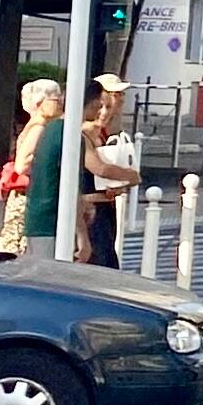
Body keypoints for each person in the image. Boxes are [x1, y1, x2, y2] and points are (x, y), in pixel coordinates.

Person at [0, 81, 62, 257]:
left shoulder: (38, 125)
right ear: (41, 103)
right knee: (20, 247)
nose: (60, 103)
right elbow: (23, 164)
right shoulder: (40, 127)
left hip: (26, 195)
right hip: (26, 197)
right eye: (55, 99)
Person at [80, 77, 137, 267]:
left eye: (121, 94)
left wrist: (116, 186)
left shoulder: (104, 130)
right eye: (114, 94)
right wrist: (130, 176)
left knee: (105, 259)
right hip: (90, 208)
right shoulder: (85, 131)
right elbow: (98, 168)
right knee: (98, 262)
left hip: (103, 204)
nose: (118, 100)